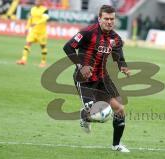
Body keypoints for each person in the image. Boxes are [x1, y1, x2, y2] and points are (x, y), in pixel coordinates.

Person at [63, 5, 130, 152]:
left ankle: (116, 145)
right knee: (95, 111)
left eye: (112, 19)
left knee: (120, 109)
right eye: (106, 18)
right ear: (100, 19)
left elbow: (119, 56)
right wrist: (81, 65)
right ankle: (84, 115)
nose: (109, 22)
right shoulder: (87, 32)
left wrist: (123, 66)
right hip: (84, 78)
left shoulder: (115, 38)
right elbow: (68, 47)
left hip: (102, 78)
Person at [16, 0, 49, 67]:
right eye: (36, 1)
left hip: (41, 32)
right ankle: (23, 60)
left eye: (38, 1)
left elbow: (45, 18)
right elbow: (30, 19)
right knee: (28, 43)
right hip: (33, 31)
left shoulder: (45, 10)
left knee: (43, 46)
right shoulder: (32, 9)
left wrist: (37, 23)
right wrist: (27, 27)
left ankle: (43, 62)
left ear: (41, 2)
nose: (36, 2)